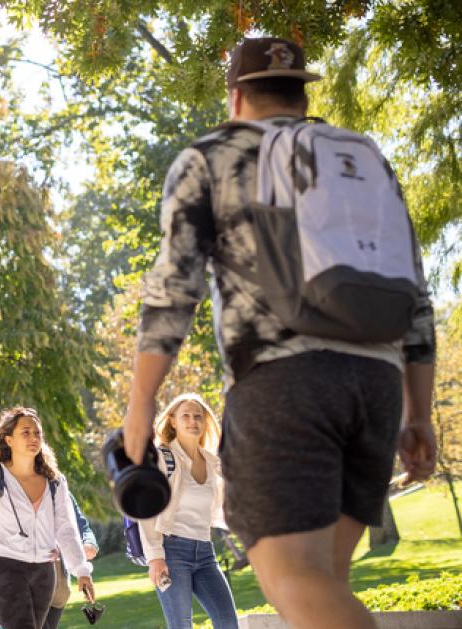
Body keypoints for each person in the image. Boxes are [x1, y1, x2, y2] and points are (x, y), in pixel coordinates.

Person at [121, 36, 437, 629]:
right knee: (324, 585)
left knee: (293, 579)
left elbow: (173, 291)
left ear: (236, 97)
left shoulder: (215, 153)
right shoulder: (360, 157)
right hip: (377, 385)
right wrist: (418, 413)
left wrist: (141, 404)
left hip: (284, 387)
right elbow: (415, 294)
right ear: (300, 93)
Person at [0, 407, 95, 629]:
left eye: (37, 433)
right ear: (9, 440)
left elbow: (66, 530)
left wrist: (81, 571)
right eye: (26, 432)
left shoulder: (54, 481)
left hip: (44, 572)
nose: (34, 438)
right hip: (5, 568)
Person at [137, 394, 237, 629]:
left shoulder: (213, 463)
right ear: (173, 421)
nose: (193, 421)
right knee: (181, 625)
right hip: (171, 553)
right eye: (186, 416)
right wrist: (155, 556)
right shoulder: (162, 457)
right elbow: (145, 508)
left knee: (228, 622)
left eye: (198, 416)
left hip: (204, 552)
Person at [42, 493, 98, 629]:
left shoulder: (59, 489)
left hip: (59, 588)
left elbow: (81, 526)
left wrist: (89, 542)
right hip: (28, 585)